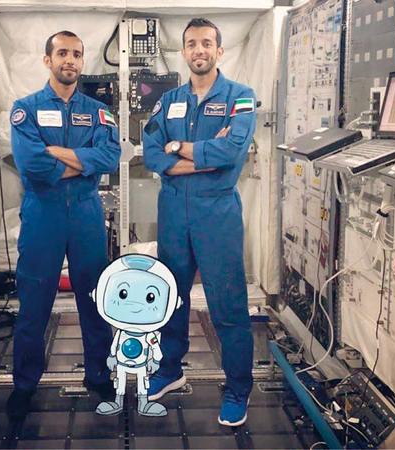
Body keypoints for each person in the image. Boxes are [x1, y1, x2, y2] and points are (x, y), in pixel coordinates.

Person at [142, 18, 257, 427]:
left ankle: (238, 388)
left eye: (207, 43)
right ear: (184, 52)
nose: (199, 50)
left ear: (219, 51)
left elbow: (232, 153)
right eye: (192, 43)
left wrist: (178, 149)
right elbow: (152, 154)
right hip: (174, 212)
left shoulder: (240, 97)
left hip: (217, 213)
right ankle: (170, 369)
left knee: (227, 303)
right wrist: (200, 156)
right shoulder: (168, 100)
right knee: (171, 298)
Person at [7, 30, 121, 418]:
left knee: (94, 298)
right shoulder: (26, 109)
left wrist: (59, 153)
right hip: (44, 212)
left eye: (76, 54)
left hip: (86, 213)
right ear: (48, 60)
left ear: (82, 61)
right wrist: (82, 161)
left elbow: (110, 157)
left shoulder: (99, 111)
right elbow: (32, 165)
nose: (69, 60)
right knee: (34, 301)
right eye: (62, 53)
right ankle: (24, 384)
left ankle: (98, 374)